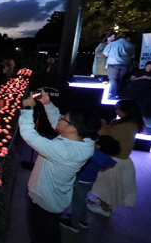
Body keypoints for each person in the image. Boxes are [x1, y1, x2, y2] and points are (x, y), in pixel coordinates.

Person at [19, 89, 100, 243]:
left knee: (40, 235)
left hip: (44, 200)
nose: (60, 118)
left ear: (73, 129)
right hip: (56, 199)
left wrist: (27, 109)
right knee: (50, 229)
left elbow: (29, 135)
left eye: (64, 118)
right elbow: (57, 122)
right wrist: (47, 103)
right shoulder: (83, 141)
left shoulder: (65, 151)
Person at [88, 99, 145, 217]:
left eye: (119, 109)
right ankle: (101, 200)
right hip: (115, 158)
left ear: (128, 111)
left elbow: (108, 137)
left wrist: (103, 124)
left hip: (116, 160)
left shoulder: (128, 126)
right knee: (104, 184)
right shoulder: (128, 123)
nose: (116, 111)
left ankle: (105, 208)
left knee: (108, 186)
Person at [59, 135, 120, 232]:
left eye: (96, 141)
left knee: (77, 203)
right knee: (82, 201)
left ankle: (73, 224)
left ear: (99, 145)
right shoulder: (104, 157)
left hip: (80, 181)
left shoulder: (92, 153)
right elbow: (110, 164)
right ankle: (83, 220)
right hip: (89, 182)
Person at [103, 32, 135, 99]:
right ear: (127, 38)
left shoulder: (112, 44)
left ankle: (113, 94)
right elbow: (132, 55)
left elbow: (105, 53)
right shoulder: (130, 45)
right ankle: (119, 93)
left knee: (113, 79)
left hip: (113, 63)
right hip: (125, 64)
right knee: (121, 79)